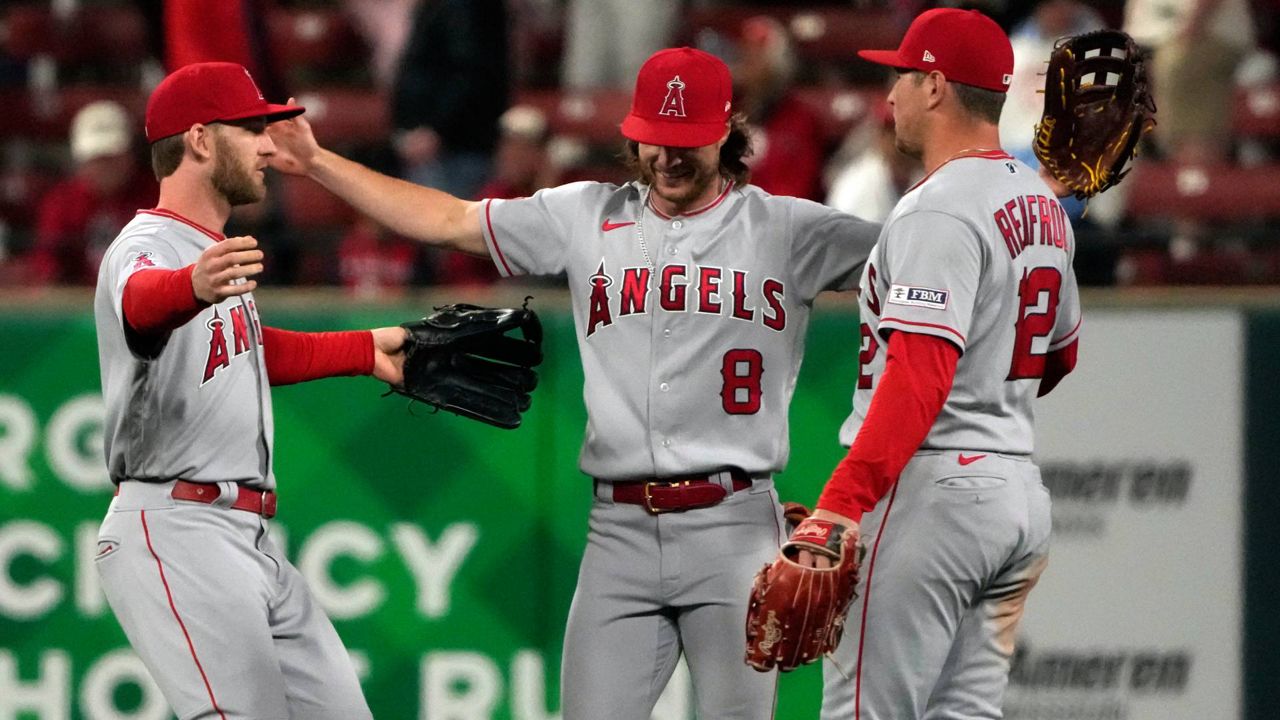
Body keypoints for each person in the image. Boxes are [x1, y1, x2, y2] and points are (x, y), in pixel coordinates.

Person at [268, 46, 880, 720]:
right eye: (654, 142)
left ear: (726, 131)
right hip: (618, 530)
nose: (668, 159)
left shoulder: (791, 229)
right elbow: (448, 220)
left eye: (687, 143)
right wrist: (319, 163)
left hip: (733, 527)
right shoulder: (586, 214)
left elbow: (927, 251)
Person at [92, 62, 408, 720]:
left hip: (248, 538)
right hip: (175, 527)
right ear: (201, 140)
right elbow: (140, 303)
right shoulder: (148, 244)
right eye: (251, 130)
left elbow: (252, 350)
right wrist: (189, 287)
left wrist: (364, 350)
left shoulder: (212, 248)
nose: (268, 147)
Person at [791, 10, 1081, 719]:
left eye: (900, 75)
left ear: (935, 86)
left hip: (933, 493)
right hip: (1014, 495)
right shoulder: (1042, 206)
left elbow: (919, 377)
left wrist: (842, 501)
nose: (887, 95)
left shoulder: (936, 211)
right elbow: (1060, 354)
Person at [27, 101, 157, 285]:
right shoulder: (61, 204)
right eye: (96, 158)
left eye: (112, 157)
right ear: (80, 160)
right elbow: (47, 266)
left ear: (130, 155)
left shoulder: (156, 197)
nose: (104, 167)